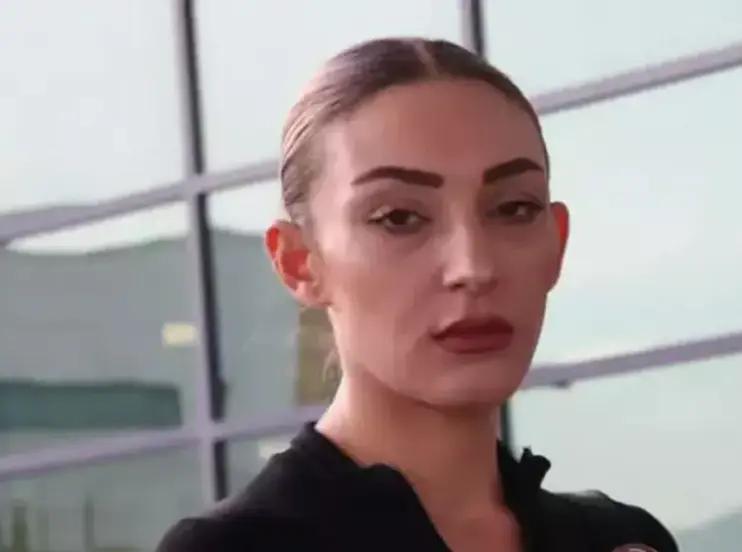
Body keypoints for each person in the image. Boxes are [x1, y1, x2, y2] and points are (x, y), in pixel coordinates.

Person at [156, 37, 678, 552]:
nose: (473, 268)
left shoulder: (618, 541)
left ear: (557, 243)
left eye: (514, 209)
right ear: (300, 262)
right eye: (399, 218)